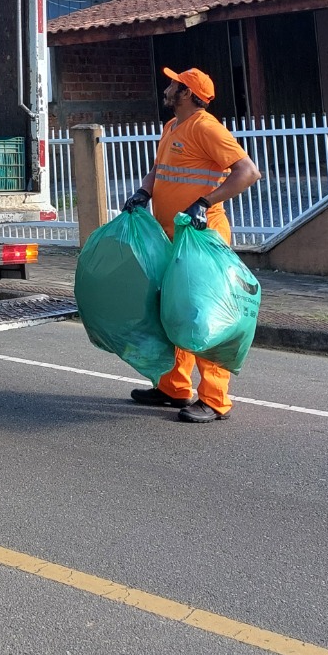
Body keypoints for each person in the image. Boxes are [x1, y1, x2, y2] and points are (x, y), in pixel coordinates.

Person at [122, 67, 261, 423]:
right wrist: (144, 191)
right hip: (172, 236)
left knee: (204, 315)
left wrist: (205, 202)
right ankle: (174, 387)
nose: (166, 89)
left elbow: (248, 171)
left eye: (173, 84)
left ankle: (215, 400)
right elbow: (160, 169)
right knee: (173, 309)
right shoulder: (172, 128)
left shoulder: (205, 126)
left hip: (203, 236)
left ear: (186, 93)